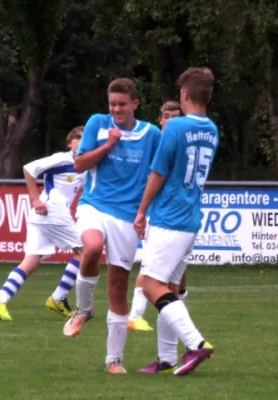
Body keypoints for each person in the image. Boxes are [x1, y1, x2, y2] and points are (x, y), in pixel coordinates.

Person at [62, 78, 161, 375]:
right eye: (112, 104)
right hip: (95, 205)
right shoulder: (97, 123)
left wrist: (146, 215)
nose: (116, 109)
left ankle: (113, 360)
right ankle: (84, 309)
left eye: (122, 104)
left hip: (127, 217)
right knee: (90, 247)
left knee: (118, 287)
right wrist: (108, 144)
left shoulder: (151, 134)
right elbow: (79, 165)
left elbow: (157, 175)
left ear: (135, 104)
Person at [134, 67, 217, 376]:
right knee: (167, 286)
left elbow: (159, 172)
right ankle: (167, 358)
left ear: (184, 95)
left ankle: (196, 343)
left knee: (147, 284)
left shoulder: (175, 127)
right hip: (191, 218)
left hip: (169, 218)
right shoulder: (212, 129)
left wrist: (142, 210)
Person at [0, 126, 85, 320]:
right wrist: (35, 199)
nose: (82, 142)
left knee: (30, 262)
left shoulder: (86, 165)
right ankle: (58, 297)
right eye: (78, 138)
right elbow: (29, 169)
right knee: (86, 252)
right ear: (69, 143)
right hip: (51, 211)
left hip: (42, 216)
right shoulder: (62, 159)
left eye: (85, 139)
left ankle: (0, 299)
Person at [128, 101, 183, 331]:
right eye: (166, 116)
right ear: (160, 119)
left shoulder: (178, 143)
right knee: (149, 265)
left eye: (175, 117)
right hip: (155, 213)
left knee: (176, 271)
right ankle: (134, 315)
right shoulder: (157, 143)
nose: (170, 121)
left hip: (171, 215)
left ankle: (173, 310)